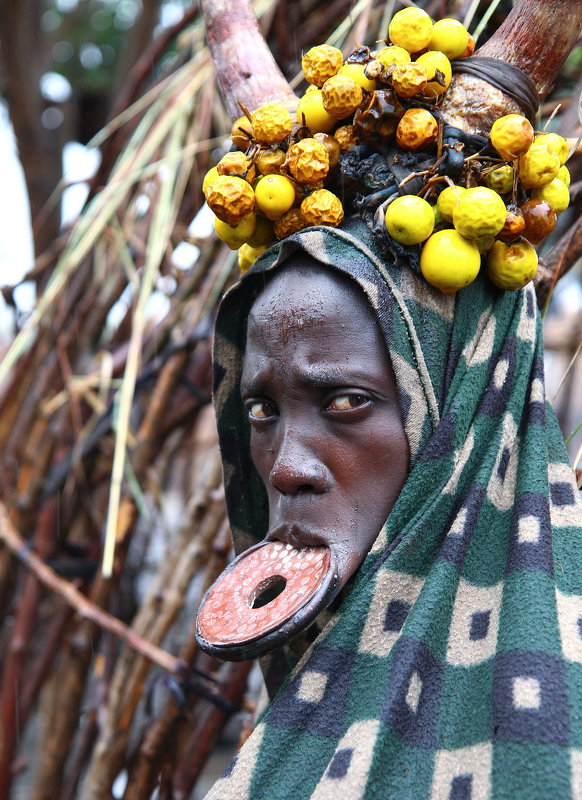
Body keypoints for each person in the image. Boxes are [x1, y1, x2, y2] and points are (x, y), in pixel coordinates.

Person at [204, 213, 582, 799]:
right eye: (261, 411)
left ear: (457, 418)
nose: (284, 468)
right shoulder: (313, 677)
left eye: (347, 401)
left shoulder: (559, 693)